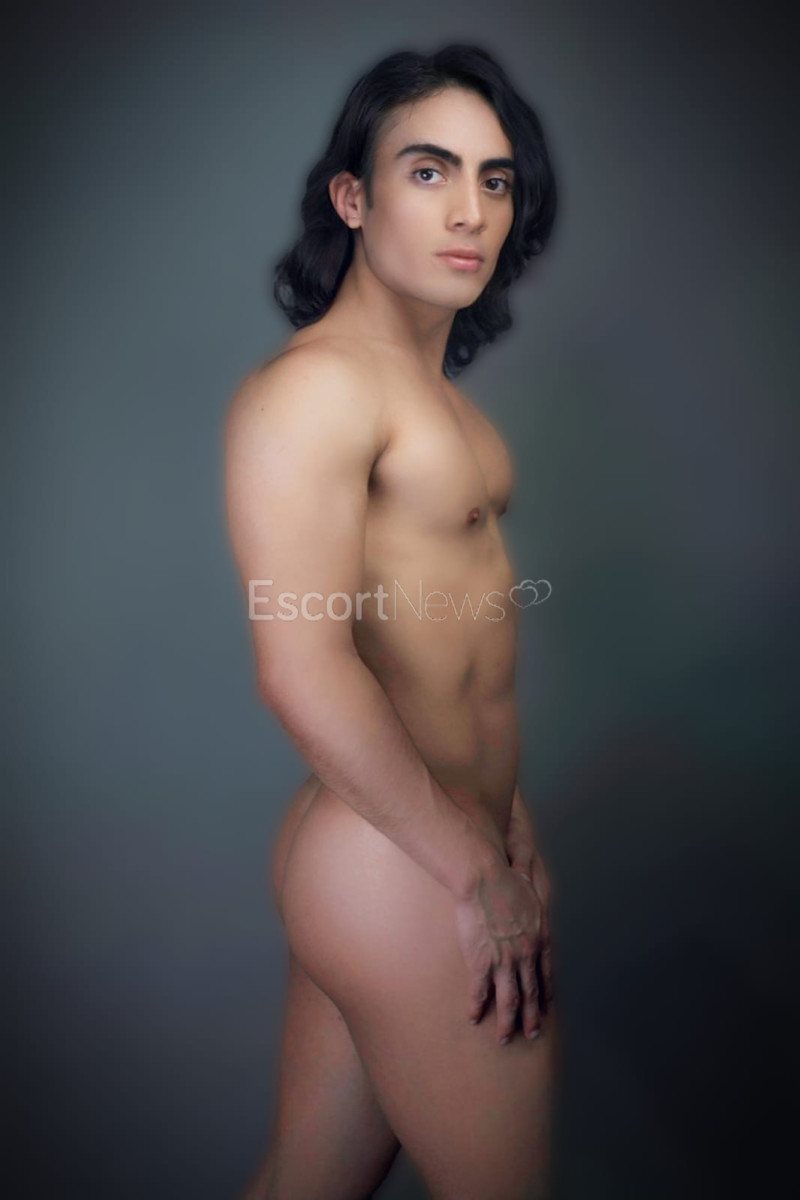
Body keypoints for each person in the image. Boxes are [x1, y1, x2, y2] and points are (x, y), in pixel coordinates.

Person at [224, 43, 560, 1200]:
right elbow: (301, 664)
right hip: (405, 859)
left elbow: (445, 645)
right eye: (429, 172)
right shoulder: (317, 389)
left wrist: (507, 818)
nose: (471, 210)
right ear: (352, 198)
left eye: (494, 179)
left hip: (414, 841)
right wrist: (473, 872)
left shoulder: (422, 393)